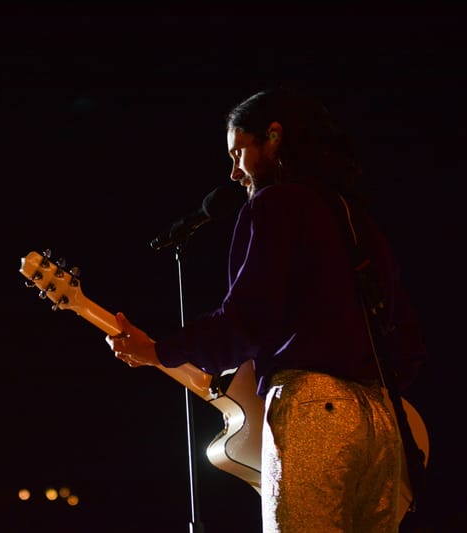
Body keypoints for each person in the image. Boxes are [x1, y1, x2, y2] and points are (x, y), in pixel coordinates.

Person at [105, 86, 427, 532]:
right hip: (384, 422)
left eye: (239, 152)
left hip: (316, 411)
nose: (235, 173)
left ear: (273, 138)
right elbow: (406, 337)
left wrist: (159, 350)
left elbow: (248, 319)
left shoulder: (275, 205)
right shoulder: (357, 218)